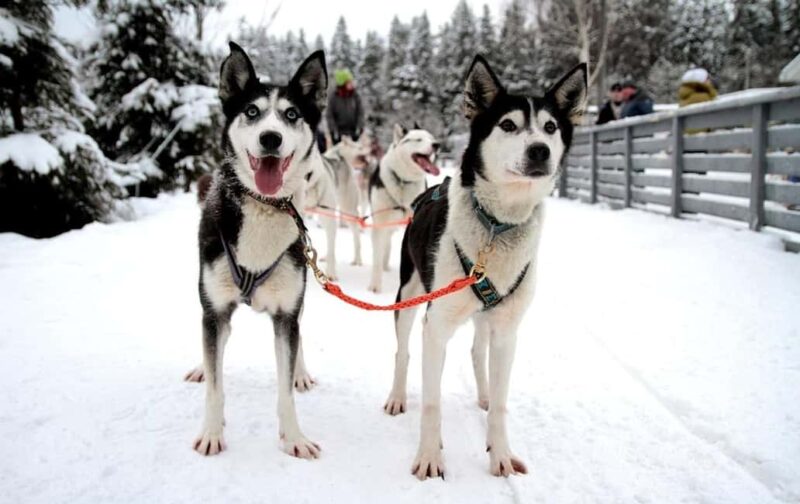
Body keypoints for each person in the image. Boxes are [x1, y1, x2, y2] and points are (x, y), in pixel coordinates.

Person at [326, 69, 364, 144]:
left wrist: (359, 127)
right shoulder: (334, 97)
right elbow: (329, 116)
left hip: (353, 133)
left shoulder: (355, 96)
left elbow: (360, 113)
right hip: (339, 134)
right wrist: (334, 131)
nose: (351, 84)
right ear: (342, 83)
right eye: (349, 82)